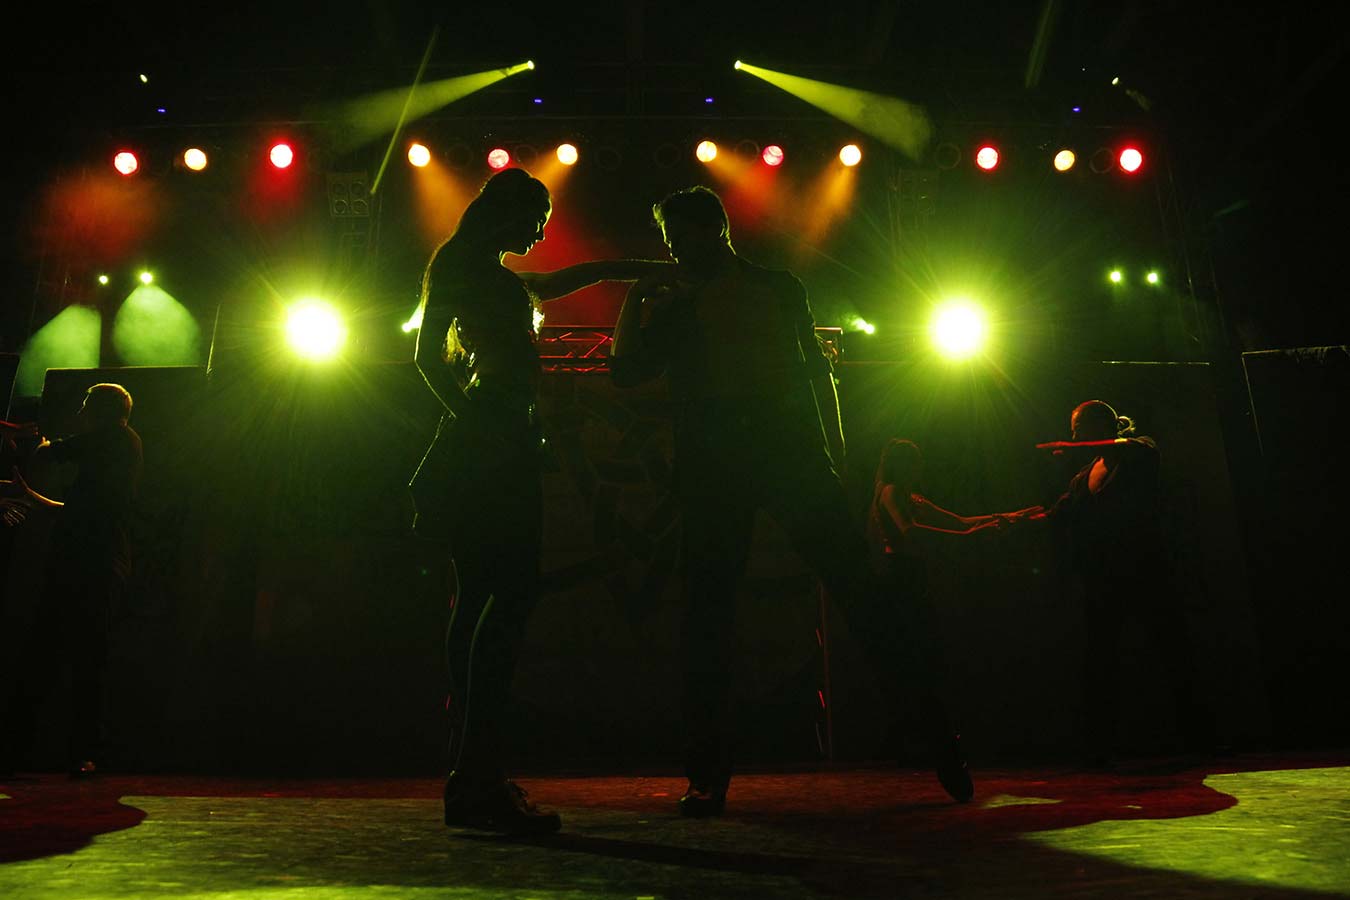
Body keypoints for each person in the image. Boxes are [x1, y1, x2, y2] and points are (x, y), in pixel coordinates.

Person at [611, 186, 973, 816]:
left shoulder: (765, 290)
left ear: (711, 230)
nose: (672, 251)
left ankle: (935, 739)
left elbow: (811, 372)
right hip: (768, 460)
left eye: (676, 238)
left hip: (758, 461)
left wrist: (834, 457)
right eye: (670, 241)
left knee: (773, 608)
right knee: (754, 612)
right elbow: (628, 373)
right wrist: (636, 301)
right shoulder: (737, 293)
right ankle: (935, 742)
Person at [412, 166, 666, 834]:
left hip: (487, 443)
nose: (542, 231)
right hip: (494, 446)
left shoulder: (476, 269)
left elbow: (571, 278)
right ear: (509, 213)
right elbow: (426, 359)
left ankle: (472, 773)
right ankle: (477, 776)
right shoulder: (474, 272)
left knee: (478, 600)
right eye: (538, 219)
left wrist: (643, 268)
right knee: (509, 596)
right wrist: (481, 423)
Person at [1027, 399, 1205, 764]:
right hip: (1104, 580)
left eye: (1079, 431)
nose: (1074, 438)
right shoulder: (1084, 476)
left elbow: (1132, 451)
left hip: (1146, 571)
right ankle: (1101, 744)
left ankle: (1197, 735)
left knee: (1171, 651)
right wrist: (1012, 520)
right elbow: (1058, 512)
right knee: (1101, 659)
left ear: (1100, 427)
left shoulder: (1142, 450)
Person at [0, 383, 142, 777]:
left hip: (93, 567)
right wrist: (31, 495)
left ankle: (66, 751)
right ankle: (68, 751)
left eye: (86, 406)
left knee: (71, 659)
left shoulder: (114, 439)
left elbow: (52, 454)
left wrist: (39, 442)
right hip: (87, 567)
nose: (81, 413)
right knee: (69, 658)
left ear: (103, 411)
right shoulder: (116, 449)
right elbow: (73, 509)